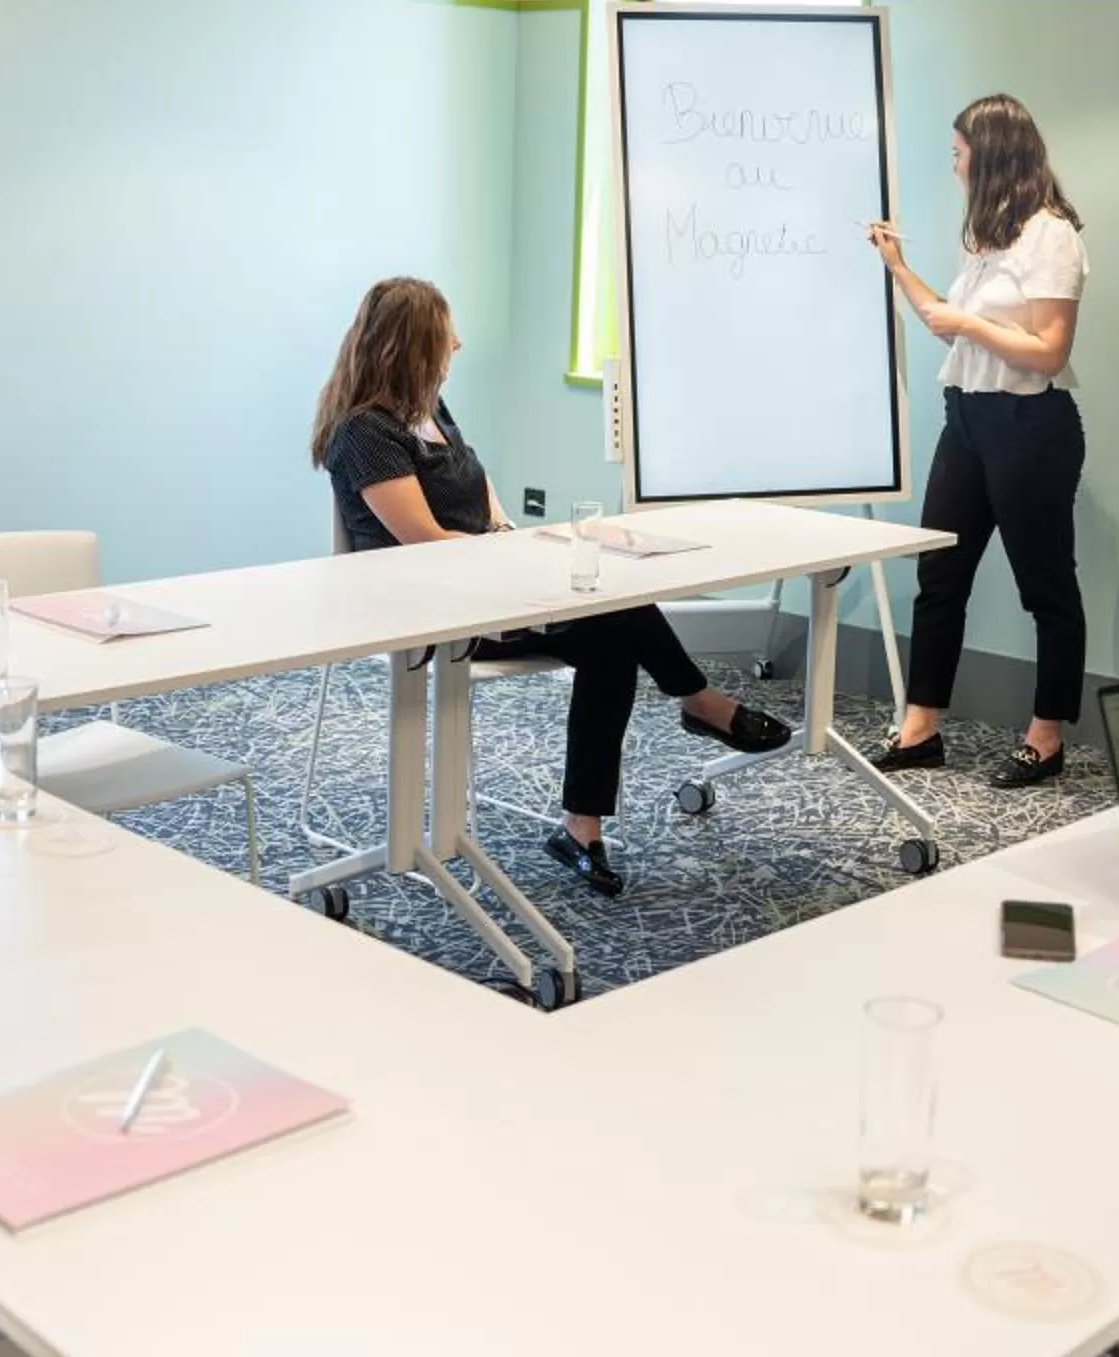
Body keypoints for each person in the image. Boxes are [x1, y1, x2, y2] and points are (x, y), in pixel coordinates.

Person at [310, 277, 789, 898]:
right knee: (615, 615)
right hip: (427, 609)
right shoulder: (365, 432)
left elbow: (480, 492)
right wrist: (511, 561)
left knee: (612, 636)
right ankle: (700, 703)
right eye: (446, 334)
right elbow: (424, 542)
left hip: (489, 589)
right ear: (411, 344)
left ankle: (581, 829)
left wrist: (513, 541)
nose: (458, 344)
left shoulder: (428, 411)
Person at [864, 93, 1088, 788]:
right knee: (939, 576)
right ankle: (920, 728)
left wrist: (969, 325)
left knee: (1046, 588)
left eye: (959, 153)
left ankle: (1046, 737)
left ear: (990, 156)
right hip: (965, 419)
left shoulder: (1052, 235)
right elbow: (951, 327)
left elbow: (1049, 352)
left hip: (1030, 428)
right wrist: (899, 266)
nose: (954, 165)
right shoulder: (988, 237)